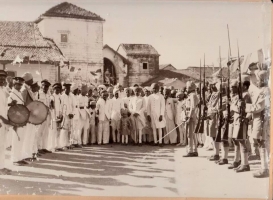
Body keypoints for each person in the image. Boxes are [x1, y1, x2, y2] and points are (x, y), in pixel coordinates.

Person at [245, 69, 270, 178]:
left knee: (262, 142)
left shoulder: (265, 91)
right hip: (258, 119)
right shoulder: (263, 90)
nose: (256, 82)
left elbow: (259, 107)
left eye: (258, 79)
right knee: (260, 142)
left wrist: (246, 107)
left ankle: (265, 168)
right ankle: (264, 167)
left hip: (261, 119)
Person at [231, 77, 252, 172]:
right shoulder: (239, 96)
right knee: (238, 140)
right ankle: (241, 162)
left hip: (242, 120)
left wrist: (246, 118)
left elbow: (249, 108)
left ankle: (245, 164)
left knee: (242, 141)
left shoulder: (246, 95)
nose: (238, 88)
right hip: (237, 119)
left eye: (240, 86)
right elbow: (234, 108)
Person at [8, 77, 27, 165]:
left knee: (21, 138)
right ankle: (14, 159)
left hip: (21, 119)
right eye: (18, 84)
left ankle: (19, 157)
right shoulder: (11, 94)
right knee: (16, 138)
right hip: (15, 119)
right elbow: (9, 108)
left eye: (21, 85)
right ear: (14, 84)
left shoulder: (19, 93)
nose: (19, 86)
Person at [0, 70, 12, 174]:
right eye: (0, 78)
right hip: (1, 121)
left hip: (3, 122)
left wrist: (10, 104)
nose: (1, 80)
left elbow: (3, 105)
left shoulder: (3, 90)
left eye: (3, 79)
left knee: (2, 144)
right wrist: (2, 119)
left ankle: (1, 166)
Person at [205, 81, 220, 161]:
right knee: (212, 135)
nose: (211, 87)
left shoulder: (217, 94)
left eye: (213, 84)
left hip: (215, 116)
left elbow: (214, 106)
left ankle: (217, 153)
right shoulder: (212, 94)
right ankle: (215, 153)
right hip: (210, 115)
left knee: (215, 135)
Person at [36, 79, 52, 154]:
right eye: (44, 86)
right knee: (39, 131)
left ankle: (44, 147)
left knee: (46, 132)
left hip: (47, 115)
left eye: (47, 86)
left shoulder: (48, 95)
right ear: (41, 86)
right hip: (40, 115)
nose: (45, 88)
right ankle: (38, 148)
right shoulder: (38, 94)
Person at [183, 81, 198, 157]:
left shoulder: (193, 95)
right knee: (192, 134)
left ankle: (190, 151)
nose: (186, 88)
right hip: (189, 116)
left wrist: (189, 117)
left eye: (187, 87)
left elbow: (192, 107)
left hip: (191, 117)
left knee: (190, 134)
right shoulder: (190, 95)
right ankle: (195, 150)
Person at [58, 82, 74, 150]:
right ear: (64, 89)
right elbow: (61, 107)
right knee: (64, 130)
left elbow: (73, 106)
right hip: (64, 115)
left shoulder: (71, 96)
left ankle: (68, 144)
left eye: (69, 88)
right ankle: (62, 145)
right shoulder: (62, 97)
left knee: (70, 130)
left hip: (70, 116)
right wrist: (65, 114)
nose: (68, 90)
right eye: (66, 88)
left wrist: (72, 113)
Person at [48, 83, 62, 152]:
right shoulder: (51, 97)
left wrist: (61, 116)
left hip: (59, 116)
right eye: (56, 89)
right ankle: (52, 146)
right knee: (53, 132)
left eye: (58, 89)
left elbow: (61, 107)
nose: (57, 90)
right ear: (53, 89)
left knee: (58, 132)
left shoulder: (60, 97)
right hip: (53, 116)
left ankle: (58, 145)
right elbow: (51, 107)